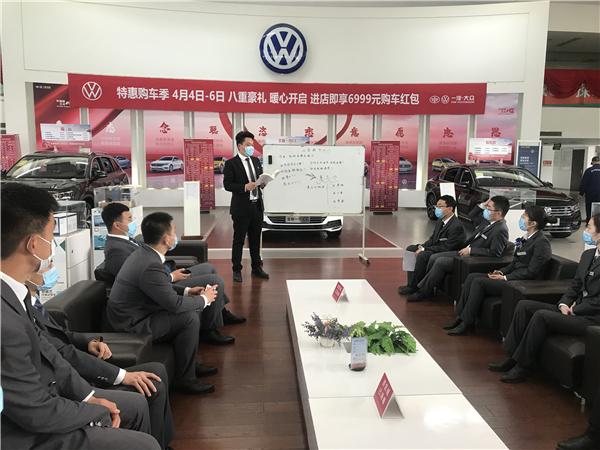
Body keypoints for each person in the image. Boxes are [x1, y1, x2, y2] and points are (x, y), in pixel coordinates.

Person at [0, 182, 160, 450]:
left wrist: (88, 398)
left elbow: (51, 353)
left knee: (136, 416)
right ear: (33, 244)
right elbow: (35, 411)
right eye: (51, 235)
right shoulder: (5, 320)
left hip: (45, 405)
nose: (54, 245)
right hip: (23, 434)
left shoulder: (16, 294)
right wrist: (95, 412)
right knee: (144, 445)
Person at [27, 267, 174, 450]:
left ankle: (163, 444)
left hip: (74, 374)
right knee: (144, 395)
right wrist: (121, 376)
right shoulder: (18, 311)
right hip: (66, 383)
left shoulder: (32, 302)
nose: (51, 268)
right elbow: (63, 353)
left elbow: (60, 335)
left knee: (157, 371)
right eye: (47, 264)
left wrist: (88, 341)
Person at [107, 212, 219, 395]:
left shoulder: (144, 254)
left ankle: (190, 365)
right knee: (188, 317)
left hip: (139, 313)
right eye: (174, 231)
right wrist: (204, 299)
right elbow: (174, 304)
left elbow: (159, 287)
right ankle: (185, 379)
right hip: (132, 324)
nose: (176, 235)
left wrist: (187, 291)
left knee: (189, 310)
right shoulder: (151, 265)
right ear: (166, 239)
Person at [101, 203, 244, 344]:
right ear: (117, 225)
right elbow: (141, 279)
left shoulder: (128, 241)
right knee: (215, 280)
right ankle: (209, 329)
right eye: (129, 219)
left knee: (209, 268)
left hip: (162, 277)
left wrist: (185, 289)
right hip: (157, 286)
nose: (133, 222)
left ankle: (219, 312)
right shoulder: (116, 250)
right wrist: (172, 278)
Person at [488, 213, 600, 383]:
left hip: (590, 319)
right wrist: (564, 303)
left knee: (541, 316)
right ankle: (511, 356)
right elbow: (575, 285)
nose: (585, 230)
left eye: (589, 227)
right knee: (524, 306)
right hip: (571, 309)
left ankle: (523, 367)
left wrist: (575, 309)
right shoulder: (588, 255)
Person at [444, 205, 552, 335]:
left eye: (524, 217)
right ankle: (460, 317)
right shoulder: (526, 238)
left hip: (522, 283)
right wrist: (501, 271)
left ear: (533, 223)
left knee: (479, 282)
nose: (521, 219)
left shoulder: (541, 243)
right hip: (512, 276)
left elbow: (532, 272)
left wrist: (506, 278)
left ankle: (467, 323)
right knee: (472, 277)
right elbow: (515, 263)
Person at [406, 195, 510, 302]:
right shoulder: (487, 222)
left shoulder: (500, 229)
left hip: (472, 258)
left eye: (489, 208)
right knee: (433, 257)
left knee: (440, 261)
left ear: (499, 213)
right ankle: (425, 287)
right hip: (462, 252)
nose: (486, 210)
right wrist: (483, 204)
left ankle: (423, 291)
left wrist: (471, 251)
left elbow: (495, 253)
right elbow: (471, 215)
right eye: (486, 207)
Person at [223, 130, 270, 283]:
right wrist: (244, 187)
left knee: (256, 239)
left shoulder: (256, 161)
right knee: (239, 240)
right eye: (248, 144)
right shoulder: (231, 163)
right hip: (241, 209)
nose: (251, 147)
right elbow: (227, 185)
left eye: (252, 145)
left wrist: (262, 183)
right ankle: (237, 269)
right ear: (240, 146)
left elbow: (259, 179)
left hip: (257, 206)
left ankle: (257, 268)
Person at [399, 195, 466, 296]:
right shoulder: (440, 221)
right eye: (436, 206)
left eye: (440, 206)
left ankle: (418, 287)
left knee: (422, 255)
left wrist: (425, 249)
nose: (436, 209)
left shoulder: (456, 226)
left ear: (450, 209)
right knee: (411, 249)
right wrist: (422, 246)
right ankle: (411, 284)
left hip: (446, 252)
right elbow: (433, 239)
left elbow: (447, 247)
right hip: (436, 247)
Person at [580, 156, 600, 223]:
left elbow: (584, 183)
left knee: (589, 207)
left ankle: (589, 221)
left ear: (593, 162)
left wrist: (581, 193)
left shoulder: (588, 170)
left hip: (590, 193)